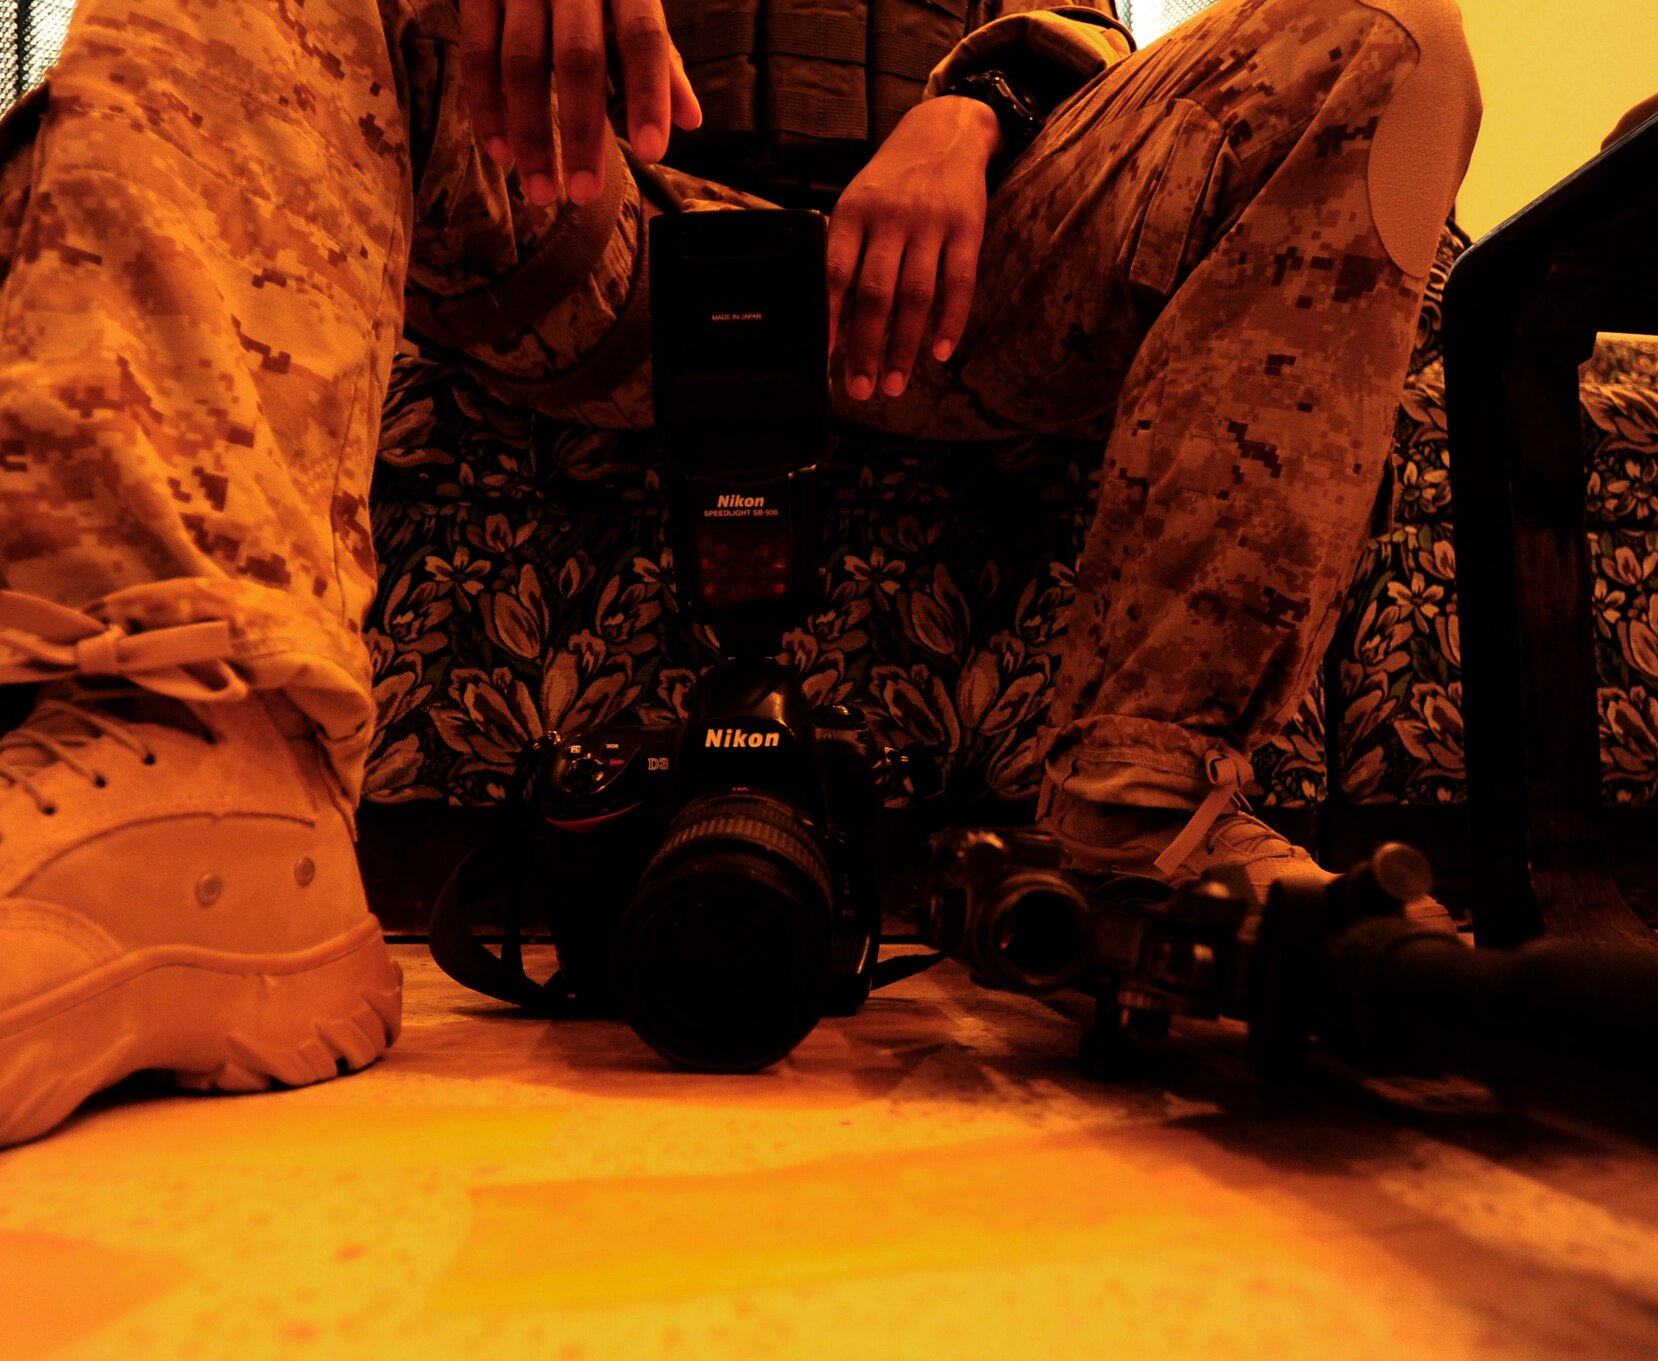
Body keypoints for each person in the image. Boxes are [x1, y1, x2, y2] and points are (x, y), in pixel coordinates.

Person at [0, 0, 1479, 1145]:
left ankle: (1142, 833)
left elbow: (1081, 25)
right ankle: (200, 756)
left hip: (965, 268)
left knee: (1386, 35)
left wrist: (974, 108)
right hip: (587, 203)